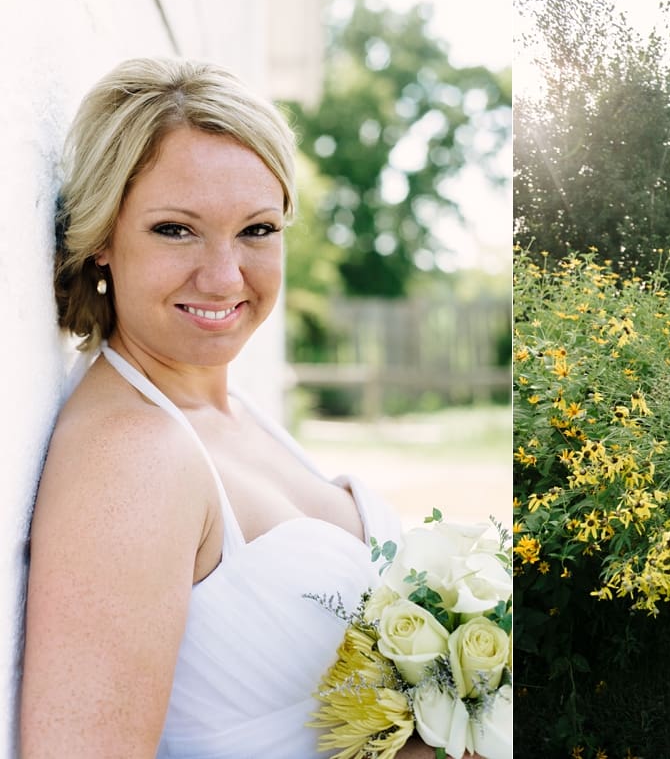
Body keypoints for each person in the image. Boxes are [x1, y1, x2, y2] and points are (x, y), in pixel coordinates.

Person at [21, 57, 440, 758]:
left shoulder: (230, 408)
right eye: (175, 230)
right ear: (101, 239)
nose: (223, 277)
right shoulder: (133, 454)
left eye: (257, 230)